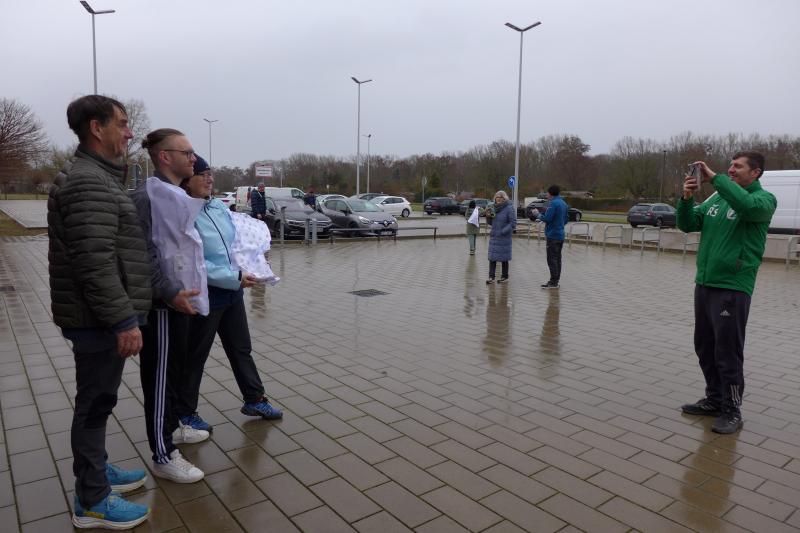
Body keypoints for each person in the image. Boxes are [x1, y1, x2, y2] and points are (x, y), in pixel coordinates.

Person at [49, 95, 151, 529]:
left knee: (97, 402)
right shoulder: (88, 182)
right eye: (122, 124)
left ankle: (96, 472)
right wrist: (123, 321)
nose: (130, 132)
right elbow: (95, 262)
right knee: (94, 404)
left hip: (96, 317)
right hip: (98, 320)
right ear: (97, 127)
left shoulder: (97, 177)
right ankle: (91, 500)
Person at [175, 156, 283, 433]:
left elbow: (235, 244)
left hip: (233, 292)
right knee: (195, 356)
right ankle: (185, 413)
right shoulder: (184, 213)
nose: (209, 179)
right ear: (187, 181)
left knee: (240, 349)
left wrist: (251, 264)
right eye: (202, 175)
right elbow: (195, 261)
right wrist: (233, 278)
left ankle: (254, 399)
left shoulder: (217, 207)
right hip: (206, 294)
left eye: (210, 174)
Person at [677, 151, 776, 434]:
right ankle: (714, 399)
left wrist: (716, 178)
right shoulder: (717, 199)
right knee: (705, 346)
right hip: (705, 283)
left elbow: (746, 206)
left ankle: (732, 409)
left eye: (738, 166)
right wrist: (686, 199)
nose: (731, 170)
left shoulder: (764, 200)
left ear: (755, 173)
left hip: (732, 287)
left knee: (727, 351)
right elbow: (687, 224)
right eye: (730, 165)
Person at [131, 128, 207, 483]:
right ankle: (163, 454)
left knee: (175, 372)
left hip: (182, 301)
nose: (194, 158)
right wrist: (168, 292)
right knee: (159, 378)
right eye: (186, 152)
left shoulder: (176, 195)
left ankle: (173, 427)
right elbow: (142, 254)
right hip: (162, 304)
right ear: (164, 157)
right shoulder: (147, 198)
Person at [532, 185, 568, 289]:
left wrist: (537, 214)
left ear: (551, 193)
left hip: (553, 235)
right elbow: (566, 219)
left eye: (547, 193)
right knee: (557, 259)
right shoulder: (563, 203)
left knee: (551, 259)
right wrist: (559, 225)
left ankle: (553, 282)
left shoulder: (553, 203)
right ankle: (556, 281)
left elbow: (547, 218)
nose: (546, 194)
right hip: (560, 234)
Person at [486, 190, 516, 284]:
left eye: (501, 197)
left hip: (504, 237)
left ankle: (505, 276)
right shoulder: (493, 208)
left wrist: (503, 231)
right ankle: (491, 277)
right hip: (494, 236)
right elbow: (491, 223)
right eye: (497, 197)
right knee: (492, 257)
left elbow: (513, 223)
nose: (498, 199)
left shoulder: (509, 208)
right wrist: (488, 216)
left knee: (504, 258)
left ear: (504, 199)